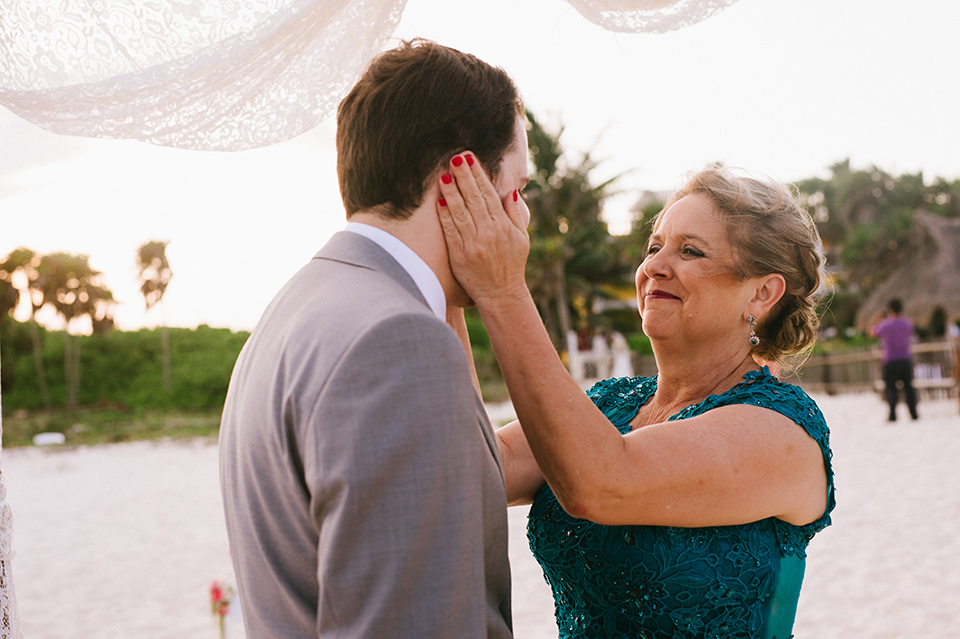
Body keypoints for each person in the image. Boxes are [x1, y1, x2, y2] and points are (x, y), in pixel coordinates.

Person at [437, 163, 836, 638]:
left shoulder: (782, 432)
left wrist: (501, 289)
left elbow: (601, 482)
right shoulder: (611, 405)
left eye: (690, 251)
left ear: (762, 292)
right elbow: (474, 469)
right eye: (654, 247)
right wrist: (449, 287)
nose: (654, 267)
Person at [219, 39, 529, 638]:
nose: (521, 220)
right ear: (459, 179)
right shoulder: (398, 342)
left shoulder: (294, 311)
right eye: (515, 190)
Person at [868, 299, 918, 421]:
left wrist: (875, 319)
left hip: (890, 360)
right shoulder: (908, 323)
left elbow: (871, 333)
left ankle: (893, 415)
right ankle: (913, 413)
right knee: (909, 388)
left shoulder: (885, 324)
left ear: (889, 310)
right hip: (905, 359)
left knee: (891, 388)